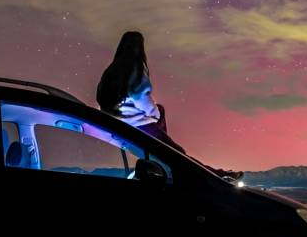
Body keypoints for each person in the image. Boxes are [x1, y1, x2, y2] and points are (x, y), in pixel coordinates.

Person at [97, 31, 242, 180]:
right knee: (177, 154)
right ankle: (218, 177)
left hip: (122, 124)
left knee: (173, 150)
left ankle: (217, 173)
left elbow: (103, 101)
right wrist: (156, 115)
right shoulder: (135, 68)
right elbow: (142, 98)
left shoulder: (110, 72)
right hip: (139, 125)